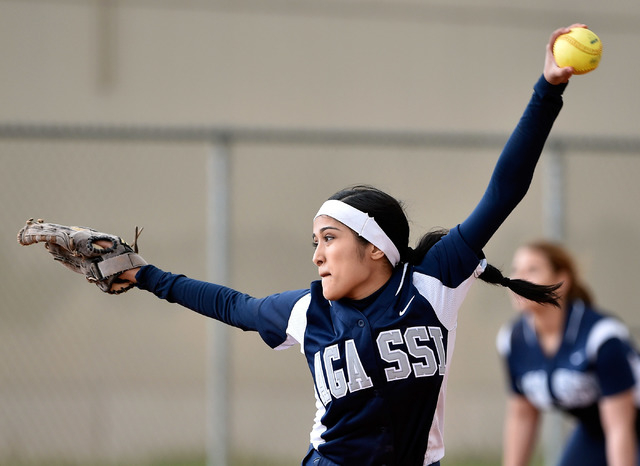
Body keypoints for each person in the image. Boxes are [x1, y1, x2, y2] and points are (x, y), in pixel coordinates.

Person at [113, 25, 581, 466]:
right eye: (315, 241)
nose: (317, 254)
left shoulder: (431, 283)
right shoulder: (308, 311)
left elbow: (505, 190)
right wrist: (143, 275)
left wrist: (548, 88)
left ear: (375, 247)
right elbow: (235, 306)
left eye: (330, 239)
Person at [496, 241, 640, 466]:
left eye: (532, 269)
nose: (518, 279)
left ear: (561, 281)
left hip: (626, 425)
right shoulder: (513, 340)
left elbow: (620, 426)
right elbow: (523, 417)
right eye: (516, 269)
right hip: (596, 431)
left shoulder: (600, 336)